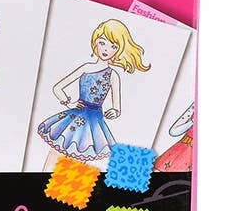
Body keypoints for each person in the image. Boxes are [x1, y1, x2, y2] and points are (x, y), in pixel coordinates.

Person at [37, 19, 150, 169]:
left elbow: (117, 107)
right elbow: (58, 88)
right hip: (74, 117)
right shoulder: (86, 67)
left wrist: (114, 111)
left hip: (94, 123)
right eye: (102, 43)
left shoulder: (113, 75)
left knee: (75, 163)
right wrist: (69, 102)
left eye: (113, 46)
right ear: (95, 42)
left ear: (118, 50)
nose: (106, 49)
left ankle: (65, 184)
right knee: (55, 155)